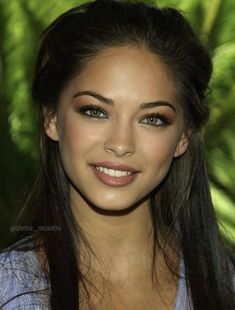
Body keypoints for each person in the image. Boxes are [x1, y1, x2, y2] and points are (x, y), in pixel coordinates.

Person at [0, 0, 234, 309]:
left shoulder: (224, 285)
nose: (121, 144)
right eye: (95, 111)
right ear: (51, 118)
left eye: (152, 118)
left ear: (183, 137)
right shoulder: (9, 288)